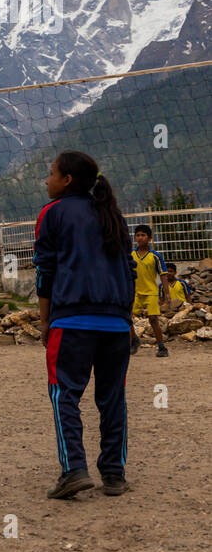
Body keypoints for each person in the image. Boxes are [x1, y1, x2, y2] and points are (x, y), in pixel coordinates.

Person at [33, 150, 135, 498]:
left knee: (64, 394)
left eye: (50, 173)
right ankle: (114, 473)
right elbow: (128, 272)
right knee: (112, 397)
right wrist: (128, 319)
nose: (46, 180)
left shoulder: (52, 212)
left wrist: (45, 319)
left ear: (67, 180)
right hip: (117, 323)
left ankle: (74, 470)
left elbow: (45, 270)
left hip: (72, 319)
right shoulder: (113, 214)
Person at [129, 224, 170, 358]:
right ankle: (133, 339)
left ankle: (161, 346)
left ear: (149, 238)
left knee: (153, 319)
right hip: (134, 292)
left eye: (143, 235)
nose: (140, 238)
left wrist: (167, 293)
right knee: (127, 318)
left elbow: (163, 274)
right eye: (138, 235)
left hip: (151, 291)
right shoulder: (131, 255)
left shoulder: (155, 256)